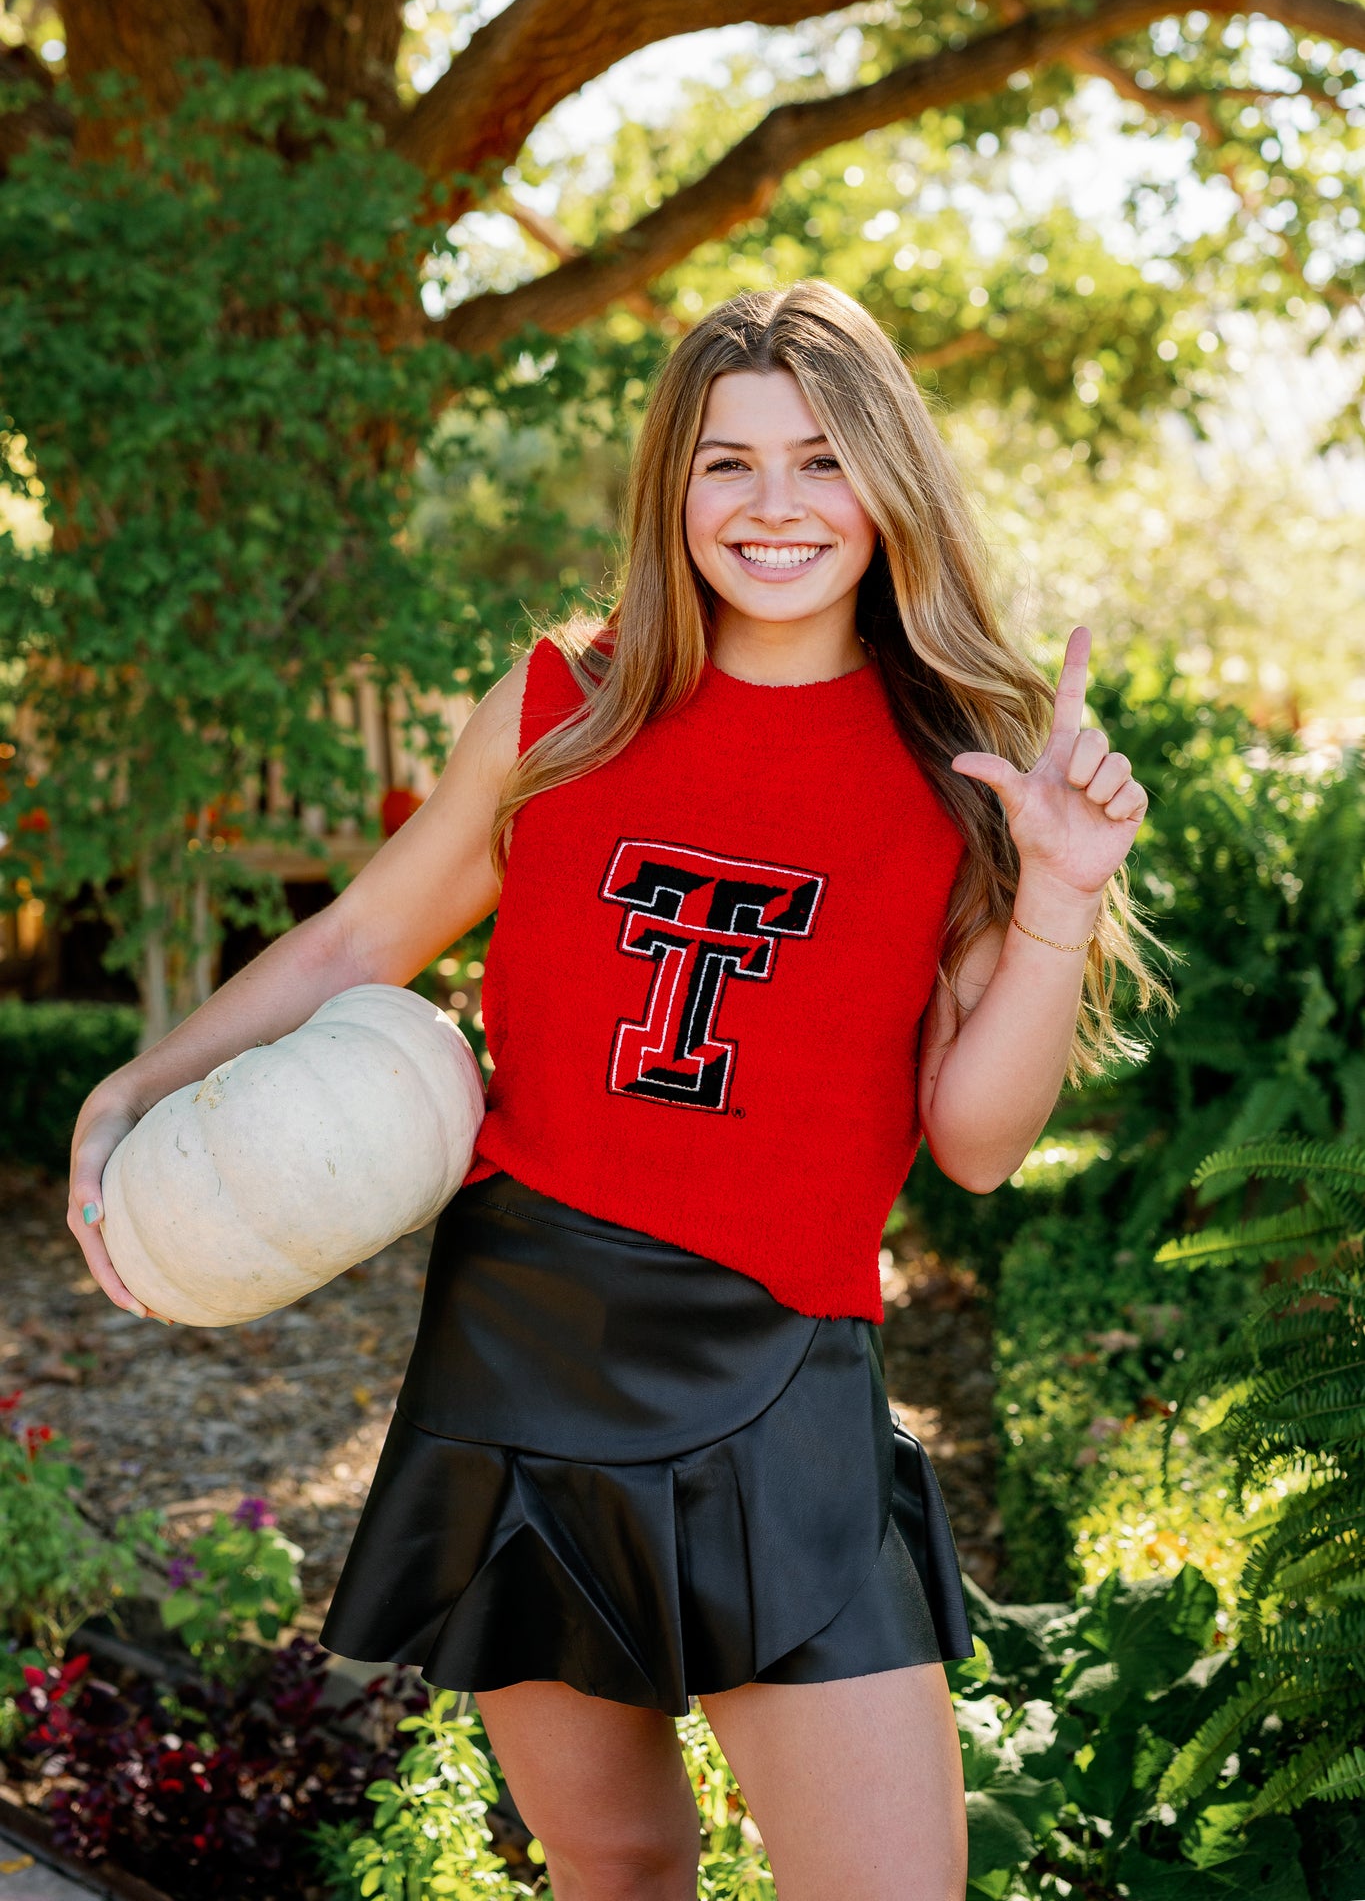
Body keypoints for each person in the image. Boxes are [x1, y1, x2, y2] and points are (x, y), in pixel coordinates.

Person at [68, 281, 1158, 1901]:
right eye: (727, 463)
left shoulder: (965, 761)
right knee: (618, 1861)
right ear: (671, 488)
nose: (773, 506)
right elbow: (364, 934)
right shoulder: (561, 707)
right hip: (524, 1350)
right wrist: (136, 1089)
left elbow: (977, 1147)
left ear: (888, 482)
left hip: (781, 1370)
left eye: (820, 459)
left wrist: (1059, 898)